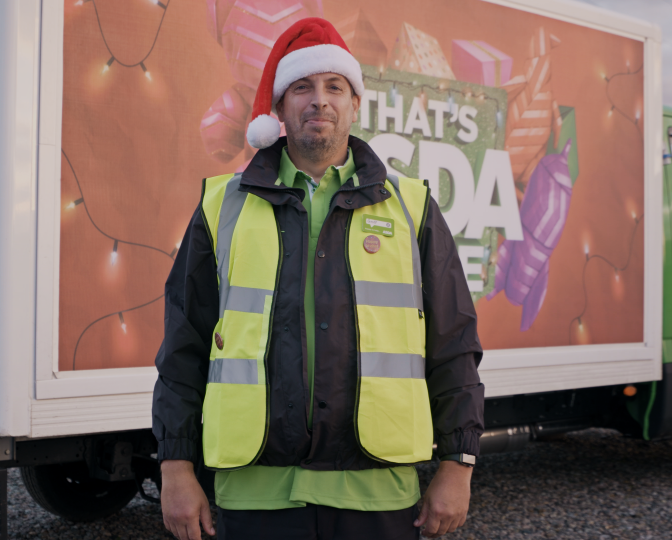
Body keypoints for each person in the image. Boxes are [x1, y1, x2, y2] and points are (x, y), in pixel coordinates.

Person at [153, 17, 484, 540]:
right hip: (255, 494)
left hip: (376, 492)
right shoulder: (222, 206)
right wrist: (175, 468)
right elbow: (182, 348)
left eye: (335, 86)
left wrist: (458, 464)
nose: (319, 100)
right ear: (281, 108)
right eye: (302, 87)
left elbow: (453, 345)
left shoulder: (411, 206)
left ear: (355, 104)